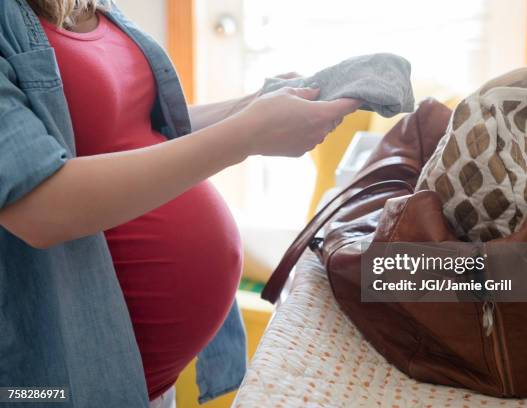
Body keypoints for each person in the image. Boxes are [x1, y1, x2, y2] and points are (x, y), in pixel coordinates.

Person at [0, 0, 360, 406]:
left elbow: (134, 129)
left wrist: (252, 105)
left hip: (147, 381)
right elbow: (40, 208)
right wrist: (247, 134)